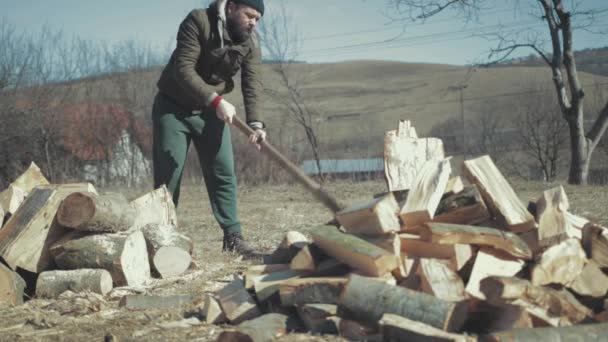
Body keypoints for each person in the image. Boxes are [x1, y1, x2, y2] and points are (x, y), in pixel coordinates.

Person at [152, 0, 266, 255]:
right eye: (250, 15)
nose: (253, 23)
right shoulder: (198, 20)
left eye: (257, 19)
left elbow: (253, 83)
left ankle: (233, 238)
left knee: (223, 172)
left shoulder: (251, 41)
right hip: (173, 106)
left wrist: (256, 124)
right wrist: (216, 100)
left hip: (211, 112)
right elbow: (183, 68)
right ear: (233, 6)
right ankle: (161, 238)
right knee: (168, 175)